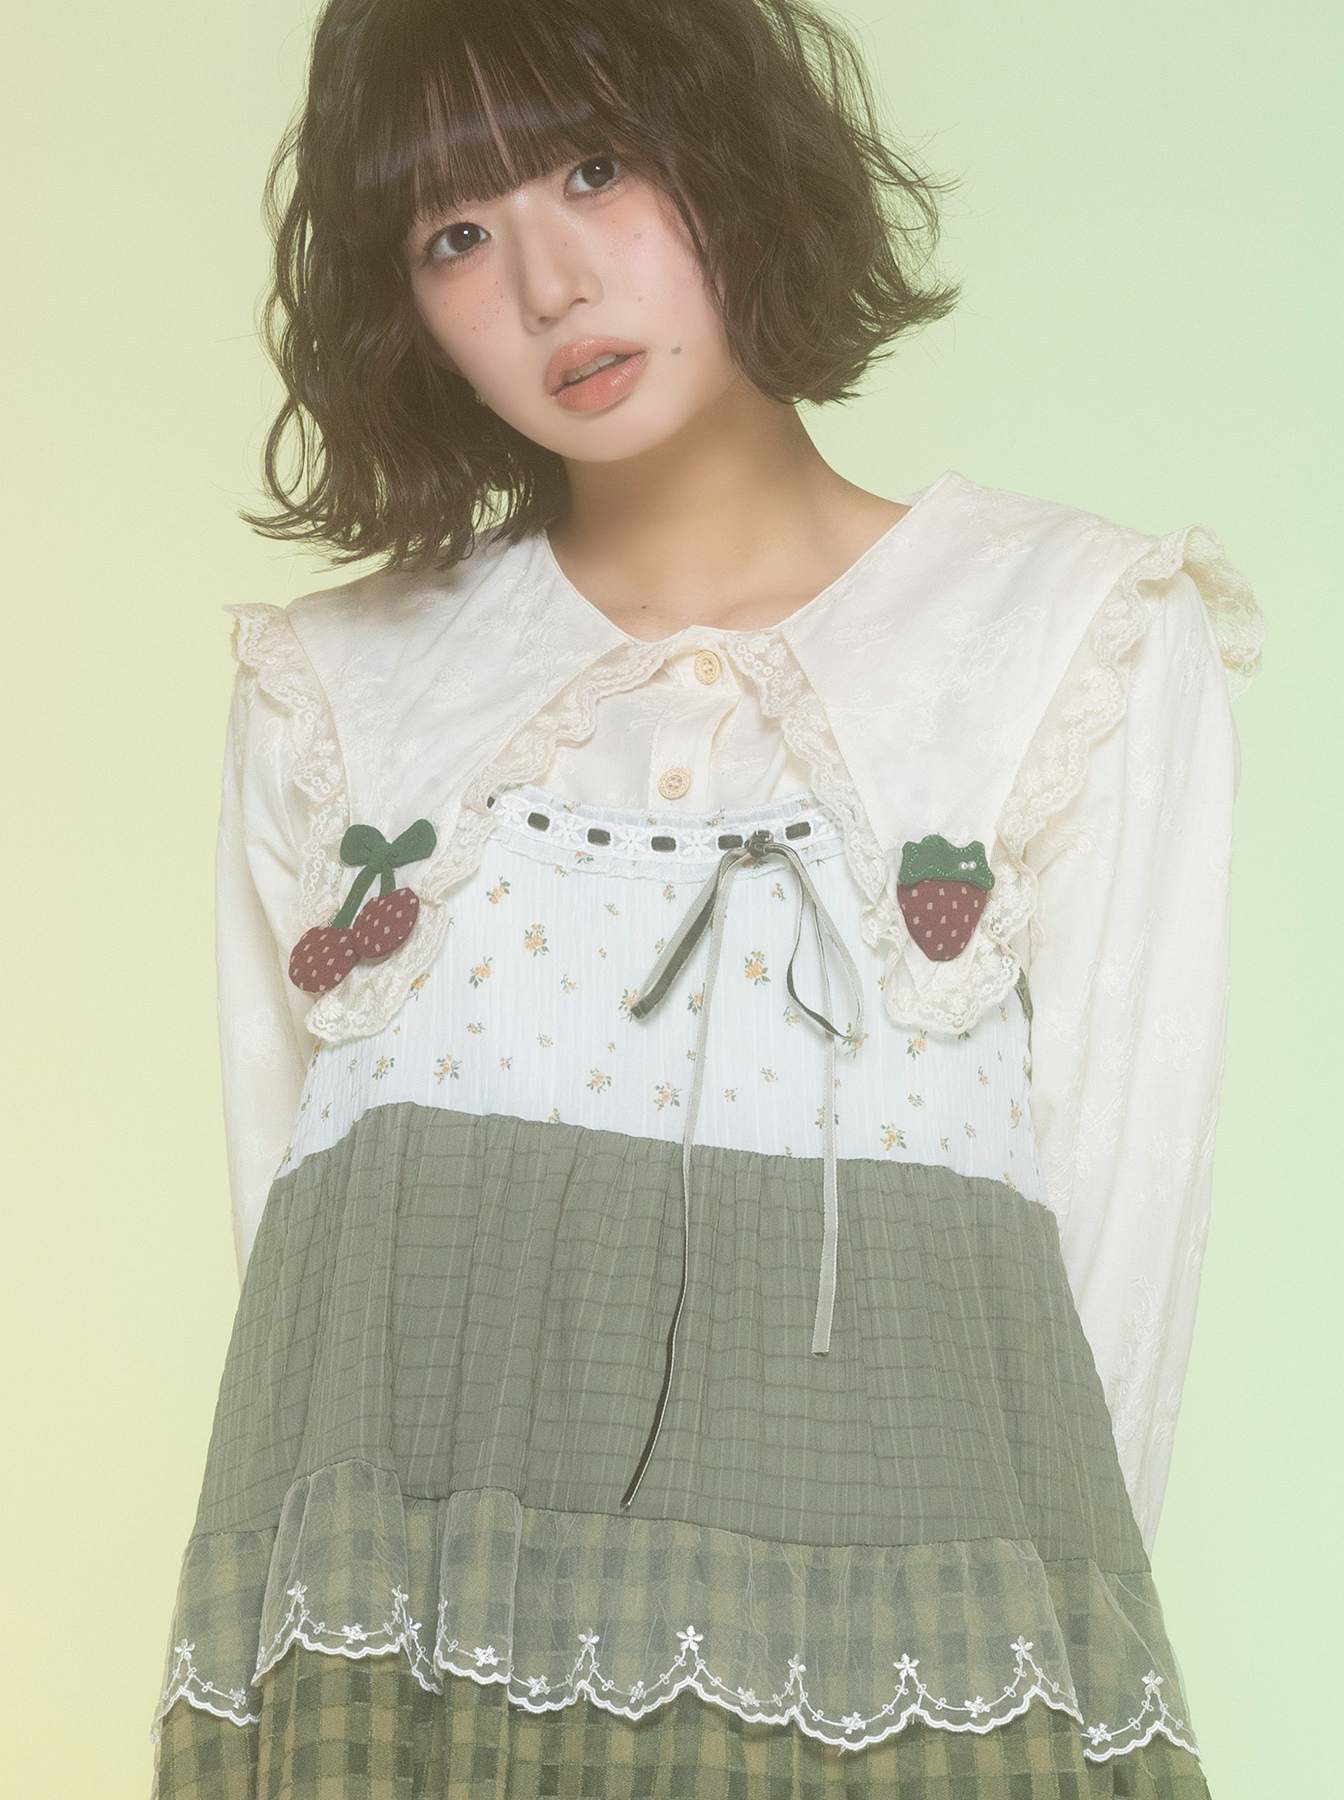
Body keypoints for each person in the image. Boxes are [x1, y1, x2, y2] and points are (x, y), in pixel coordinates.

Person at [148, 1, 1266, 1794]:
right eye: (456, 233)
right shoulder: (342, 696)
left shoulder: (1064, 643)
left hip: (905, 1702)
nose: (550, 285)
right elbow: (309, 1344)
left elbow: (1112, 1299)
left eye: (598, 167)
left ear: (734, 153)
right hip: (418, 1707)